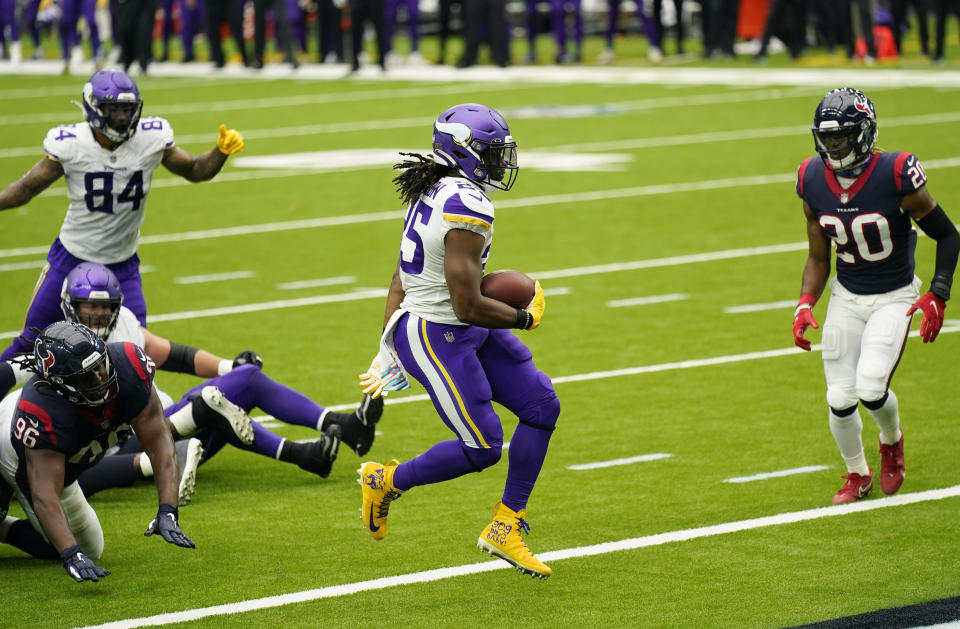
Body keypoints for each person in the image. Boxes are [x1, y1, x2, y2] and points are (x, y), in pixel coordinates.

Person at [356, 104, 558, 579]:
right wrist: (523, 318)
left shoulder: (435, 183)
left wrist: (385, 340)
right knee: (483, 446)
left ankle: (506, 525)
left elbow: (400, 278)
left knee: (542, 406)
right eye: (490, 154)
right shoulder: (465, 203)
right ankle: (384, 481)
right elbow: (467, 305)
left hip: (452, 323)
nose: (499, 163)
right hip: (436, 333)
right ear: (464, 152)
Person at [47, 263, 383, 502]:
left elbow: (176, 356)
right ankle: (304, 453)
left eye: (106, 307)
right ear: (70, 305)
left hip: (158, 425)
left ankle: (336, 428)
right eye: (91, 305)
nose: (100, 314)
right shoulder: (63, 352)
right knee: (208, 404)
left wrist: (227, 365)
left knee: (243, 378)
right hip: (127, 443)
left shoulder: (126, 324)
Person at [0, 70, 245, 362]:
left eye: (127, 110)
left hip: (122, 266)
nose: (121, 117)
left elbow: (194, 170)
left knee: (131, 352)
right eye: (113, 109)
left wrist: (219, 152)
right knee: (30, 343)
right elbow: (26, 188)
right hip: (71, 257)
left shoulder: (151, 138)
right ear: (93, 107)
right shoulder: (71, 144)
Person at [793, 88, 959, 504]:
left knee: (870, 387)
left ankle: (891, 440)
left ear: (863, 134)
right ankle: (857, 474)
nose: (833, 146)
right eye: (827, 138)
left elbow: (948, 235)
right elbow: (818, 255)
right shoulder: (812, 179)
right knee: (838, 397)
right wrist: (804, 304)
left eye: (842, 137)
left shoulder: (896, 173)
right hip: (847, 296)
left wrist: (938, 293)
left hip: (894, 295)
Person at [0, 322, 197, 582]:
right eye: (85, 377)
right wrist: (70, 553)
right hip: (12, 449)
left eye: (100, 367)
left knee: (92, 548)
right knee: (61, 545)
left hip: (67, 461)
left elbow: (160, 443)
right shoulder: (42, 412)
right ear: (61, 383)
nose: (100, 380)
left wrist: (167, 510)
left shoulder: (128, 365)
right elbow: (45, 493)